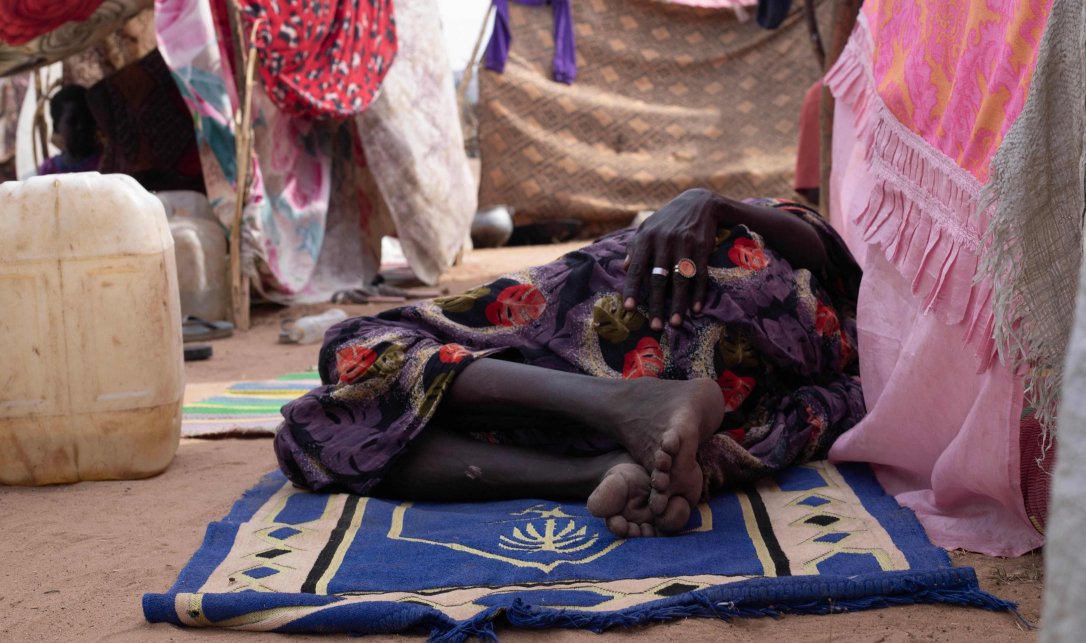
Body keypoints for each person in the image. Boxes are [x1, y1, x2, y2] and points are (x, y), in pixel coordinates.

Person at [275, 189, 865, 537]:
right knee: (323, 431)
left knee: (357, 348)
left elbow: (823, 248)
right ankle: (605, 461)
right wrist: (713, 464)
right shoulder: (872, 386)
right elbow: (803, 420)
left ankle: (620, 412)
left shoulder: (873, 340)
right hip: (739, 354)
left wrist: (708, 201)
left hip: (678, 288)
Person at [37, 85, 100, 176]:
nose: (81, 126)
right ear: (56, 127)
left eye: (88, 118)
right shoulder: (49, 170)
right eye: (72, 121)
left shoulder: (108, 162)